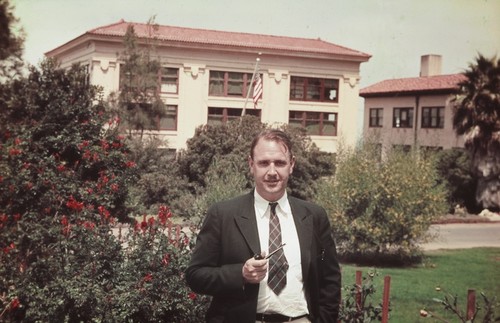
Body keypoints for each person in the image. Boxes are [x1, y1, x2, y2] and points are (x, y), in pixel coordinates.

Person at [186, 129, 341, 323]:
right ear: (251, 165)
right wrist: (240, 274)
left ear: (291, 165)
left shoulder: (314, 216)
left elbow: (330, 280)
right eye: (264, 163)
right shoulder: (223, 214)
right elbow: (195, 275)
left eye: (280, 163)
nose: (272, 172)